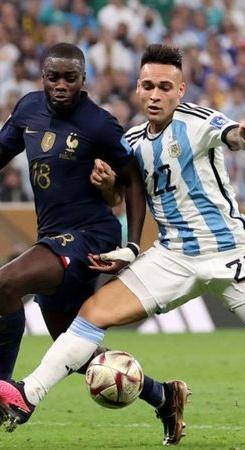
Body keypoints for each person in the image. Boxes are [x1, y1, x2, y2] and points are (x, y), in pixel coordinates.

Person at [0, 44, 245, 449]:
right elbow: (125, 193)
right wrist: (110, 193)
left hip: (231, 255)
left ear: (180, 90)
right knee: (93, 313)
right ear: (138, 90)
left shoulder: (198, 120)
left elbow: (232, 136)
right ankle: (28, 394)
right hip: (173, 255)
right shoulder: (134, 140)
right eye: (147, 86)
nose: (154, 95)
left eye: (164, 87)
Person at [0, 43, 188, 445]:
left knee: (5, 283)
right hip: (51, 237)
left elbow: (132, 178)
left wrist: (132, 245)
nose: (62, 86)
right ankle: (164, 395)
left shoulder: (99, 124)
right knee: (74, 353)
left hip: (90, 237)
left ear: (84, 80)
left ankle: (6, 391)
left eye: (71, 78)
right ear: (43, 77)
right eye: (54, 77)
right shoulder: (28, 110)